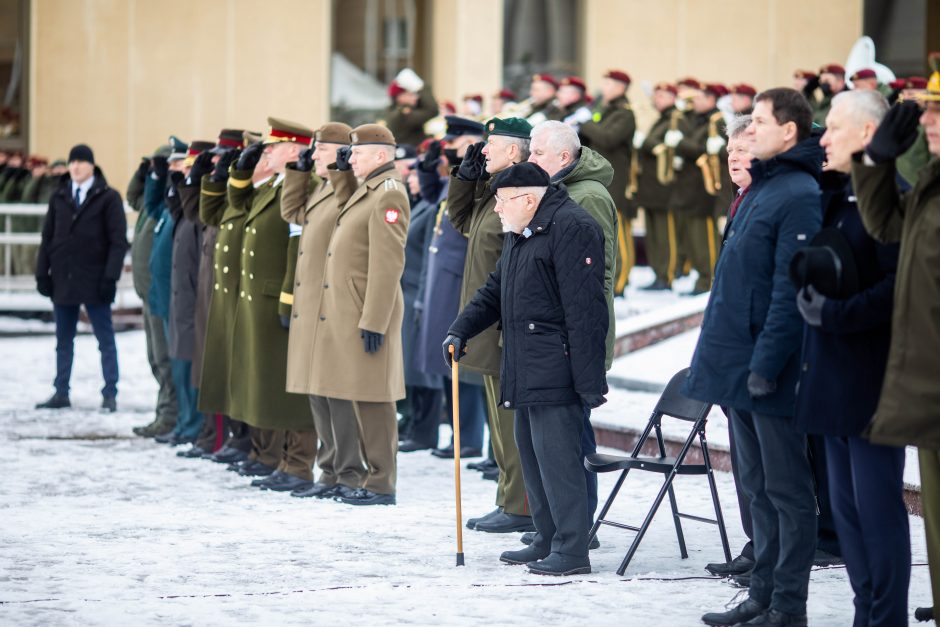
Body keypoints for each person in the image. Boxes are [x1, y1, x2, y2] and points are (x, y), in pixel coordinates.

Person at [688, 88, 822, 627]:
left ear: (788, 131)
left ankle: (788, 606)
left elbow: (788, 294)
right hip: (738, 366)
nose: (749, 131)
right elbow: (734, 287)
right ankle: (760, 595)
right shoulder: (762, 190)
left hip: (771, 372)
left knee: (788, 493)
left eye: (760, 122)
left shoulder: (798, 193)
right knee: (759, 489)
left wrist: (766, 365)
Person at [445, 161, 608, 576]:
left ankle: (572, 550)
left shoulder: (572, 226)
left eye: (501, 201)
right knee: (533, 458)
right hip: (524, 363)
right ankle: (546, 536)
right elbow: (494, 290)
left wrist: (589, 382)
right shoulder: (522, 230)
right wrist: (461, 330)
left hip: (558, 366)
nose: (497, 209)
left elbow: (586, 310)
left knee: (559, 462)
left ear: (528, 199)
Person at [793, 89, 909, 626]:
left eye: (835, 127)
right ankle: (866, 615)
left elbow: (896, 287)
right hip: (831, 376)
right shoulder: (837, 195)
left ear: (868, 134)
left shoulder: (892, 200)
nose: (824, 137)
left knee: (876, 512)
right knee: (846, 513)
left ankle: (885, 619)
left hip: (872, 382)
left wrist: (835, 315)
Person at [851, 69, 940, 621]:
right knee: (934, 509)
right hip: (928, 378)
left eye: (937, 111)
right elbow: (885, 224)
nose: (927, 120)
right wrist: (877, 162)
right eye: (927, 110)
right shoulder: (931, 181)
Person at [298, 123, 410, 506]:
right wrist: (342, 170)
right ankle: (358, 475)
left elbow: (388, 263)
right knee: (353, 392)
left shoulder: (389, 194)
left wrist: (375, 319)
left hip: (368, 311)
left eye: (357, 153)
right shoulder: (367, 188)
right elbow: (343, 204)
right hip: (349, 308)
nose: (351, 158)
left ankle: (381, 483)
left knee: (374, 398)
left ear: (381, 156)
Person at [527, 119, 617, 538]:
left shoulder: (589, 196)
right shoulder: (556, 192)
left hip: (577, 336)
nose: (530, 159)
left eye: (537, 153)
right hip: (554, 336)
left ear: (564, 157)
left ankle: (581, 525)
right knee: (557, 439)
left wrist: (582, 339)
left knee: (575, 437)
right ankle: (564, 523)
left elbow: (600, 274)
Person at [447, 117, 535, 534]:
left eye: (492, 145)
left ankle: (519, 505)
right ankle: (507, 497)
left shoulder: (520, 195)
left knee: (508, 421)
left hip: (502, 326)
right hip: (484, 322)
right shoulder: (495, 193)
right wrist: (466, 178)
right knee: (498, 425)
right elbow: (462, 221)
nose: (484, 151)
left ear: (514, 152)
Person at [226, 118, 317, 493]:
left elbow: (296, 247)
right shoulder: (276, 185)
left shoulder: (302, 184)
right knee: (263, 381)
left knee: (286, 388)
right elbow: (235, 206)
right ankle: (269, 455)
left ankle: (295, 461)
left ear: (294, 151)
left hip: (276, 295)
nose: (267, 152)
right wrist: (239, 171)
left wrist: (288, 297)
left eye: (273, 147)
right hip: (258, 296)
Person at [280, 121, 369, 499]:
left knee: (338, 391)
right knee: (317, 389)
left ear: (341, 152)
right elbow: (291, 213)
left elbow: (348, 202)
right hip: (312, 302)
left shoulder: (347, 188)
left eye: (320, 150)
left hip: (334, 303)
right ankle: (330, 468)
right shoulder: (319, 189)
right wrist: (297, 173)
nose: (313, 155)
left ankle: (349, 471)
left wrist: (342, 170)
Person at [35, 144, 128, 411]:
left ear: (91, 166)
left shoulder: (108, 197)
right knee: (63, 340)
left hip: (95, 280)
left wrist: (110, 278)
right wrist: (42, 273)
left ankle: (110, 392)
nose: (74, 167)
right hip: (63, 279)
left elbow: (117, 242)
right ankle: (61, 391)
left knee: (105, 340)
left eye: (80, 162)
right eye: (72, 162)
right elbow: (48, 237)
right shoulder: (59, 195)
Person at [129, 146, 178, 437]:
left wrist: (162, 177)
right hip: (149, 292)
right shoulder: (153, 204)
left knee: (164, 358)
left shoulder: (167, 203)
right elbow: (134, 197)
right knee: (154, 358)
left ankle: (170, 417)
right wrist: (143, 172)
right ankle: (164, 412)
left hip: (162, 293)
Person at [579, 69, 637, 296]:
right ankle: (611, 277)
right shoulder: (601, 109)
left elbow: (608, 139)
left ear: (621, 88)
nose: (604, 88)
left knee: (619, 230)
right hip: (600, 177)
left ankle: (622, 279)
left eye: (609, 84)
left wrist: (585, 123)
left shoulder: (624, 114)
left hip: (617, 178)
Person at [665, 81, 725, 295]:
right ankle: (702, 278)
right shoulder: (698, 119)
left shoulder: (716, 121)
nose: (694, 102)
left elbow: (705, 151)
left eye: (699, 98)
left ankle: (709, 279)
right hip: (690, 188)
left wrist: (681, 144)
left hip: (705, 189)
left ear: (711, 99)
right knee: (694, 239)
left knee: (705, 240)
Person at [634, 82, 681, 290]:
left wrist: (645, 142)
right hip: (652, 186)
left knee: (665, 234)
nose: (657, 100)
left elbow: (668, 148)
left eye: (663, 96)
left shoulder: (676, 119)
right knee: (653, 234)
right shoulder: (662, 119)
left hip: (666, 186)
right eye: (657, 96)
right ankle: (658, 273)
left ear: (672, 98)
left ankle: (667, 274)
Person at [384, 68, 437, 148]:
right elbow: (432, 111)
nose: (416, 97)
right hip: (409, 156)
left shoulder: (395, 111)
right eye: (411, 94)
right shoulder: (402, 114)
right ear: (400, 97)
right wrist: (422, 87)